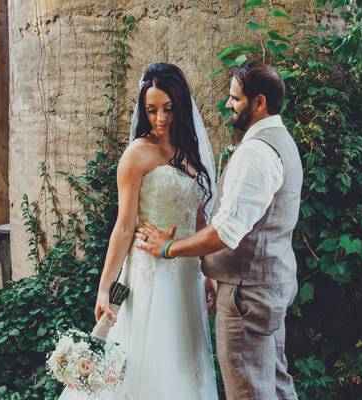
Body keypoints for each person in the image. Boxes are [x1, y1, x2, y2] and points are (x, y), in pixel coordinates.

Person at [135, 61, 302, 400]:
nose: (228, 104)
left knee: (249, 391)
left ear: (259, 102)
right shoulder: (283, 140)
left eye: (235, 99)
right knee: (277, 385)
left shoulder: (256, 151)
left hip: (247, 294)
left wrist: (169, 248)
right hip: (272, 284)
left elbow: (225, 231)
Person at [58, 63, 219, 400]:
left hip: (186, 277)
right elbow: (124, 226)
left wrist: (208, 273)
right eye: (152, 110)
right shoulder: (136, 154)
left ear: (181, 105)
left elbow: (200, 218)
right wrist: (104, 290)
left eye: (168, 108)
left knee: (185, 363)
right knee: (150, 365)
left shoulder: (190, 152)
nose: (160, 118)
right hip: (149, 275)